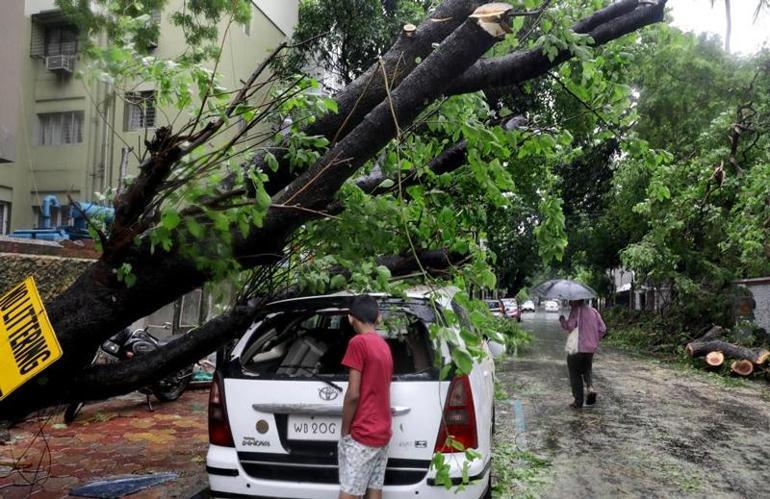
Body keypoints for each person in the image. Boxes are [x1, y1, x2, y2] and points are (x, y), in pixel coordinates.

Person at [338, 295, 394, 499]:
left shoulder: (358, 343)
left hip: (362, 433)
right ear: (378, 318)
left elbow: (353, 394)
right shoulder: (383, 346)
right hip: (382, 432)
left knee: (349, 493)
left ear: (350, 318)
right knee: (374, 489)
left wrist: (345, 431)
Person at [559, 299, 606, 409]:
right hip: (590, 349)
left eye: (571, 300)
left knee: (574, 372)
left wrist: (562, 321)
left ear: (576, 301)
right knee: (586, 369)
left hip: (578, 348)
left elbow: (570, 326)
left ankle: (578, 401)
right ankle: (590, 389)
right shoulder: (594, 311)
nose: (569, 302)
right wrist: (595, 340)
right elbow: (603, 328)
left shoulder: (576, 311)